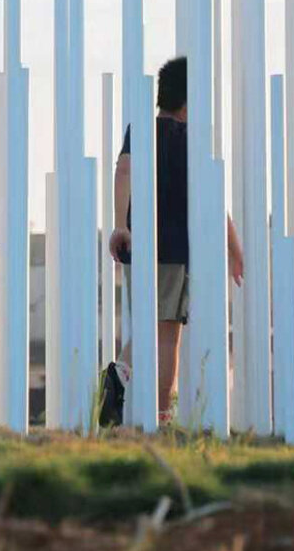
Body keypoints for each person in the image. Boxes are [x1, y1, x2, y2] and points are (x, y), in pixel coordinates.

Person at [99, 56, 244, 427]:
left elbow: (124, 170)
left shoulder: (140, 128)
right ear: (188, 101)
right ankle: (159, 411)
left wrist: (121, 225)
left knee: (147, 322)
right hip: (175, 248)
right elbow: (213, 199)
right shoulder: (190, 139)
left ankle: (121, 378)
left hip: (139, 245)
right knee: (167, 336)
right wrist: (234, 248)